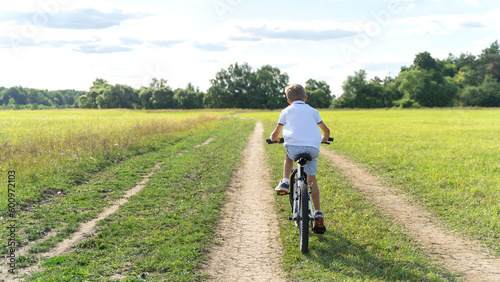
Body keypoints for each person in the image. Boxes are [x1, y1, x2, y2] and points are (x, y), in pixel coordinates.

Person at [269, 84, 330, 233]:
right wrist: (323, 139)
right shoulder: (313, 111)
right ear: (306, 98)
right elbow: (326, 131)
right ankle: (318, 212)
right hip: (312, 148)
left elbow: (275, 134)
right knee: (312, 180)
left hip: (294, 147)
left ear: (288, 100)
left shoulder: (286, 111)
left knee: (289, 156)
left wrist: (274, 139)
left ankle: (284, 181)